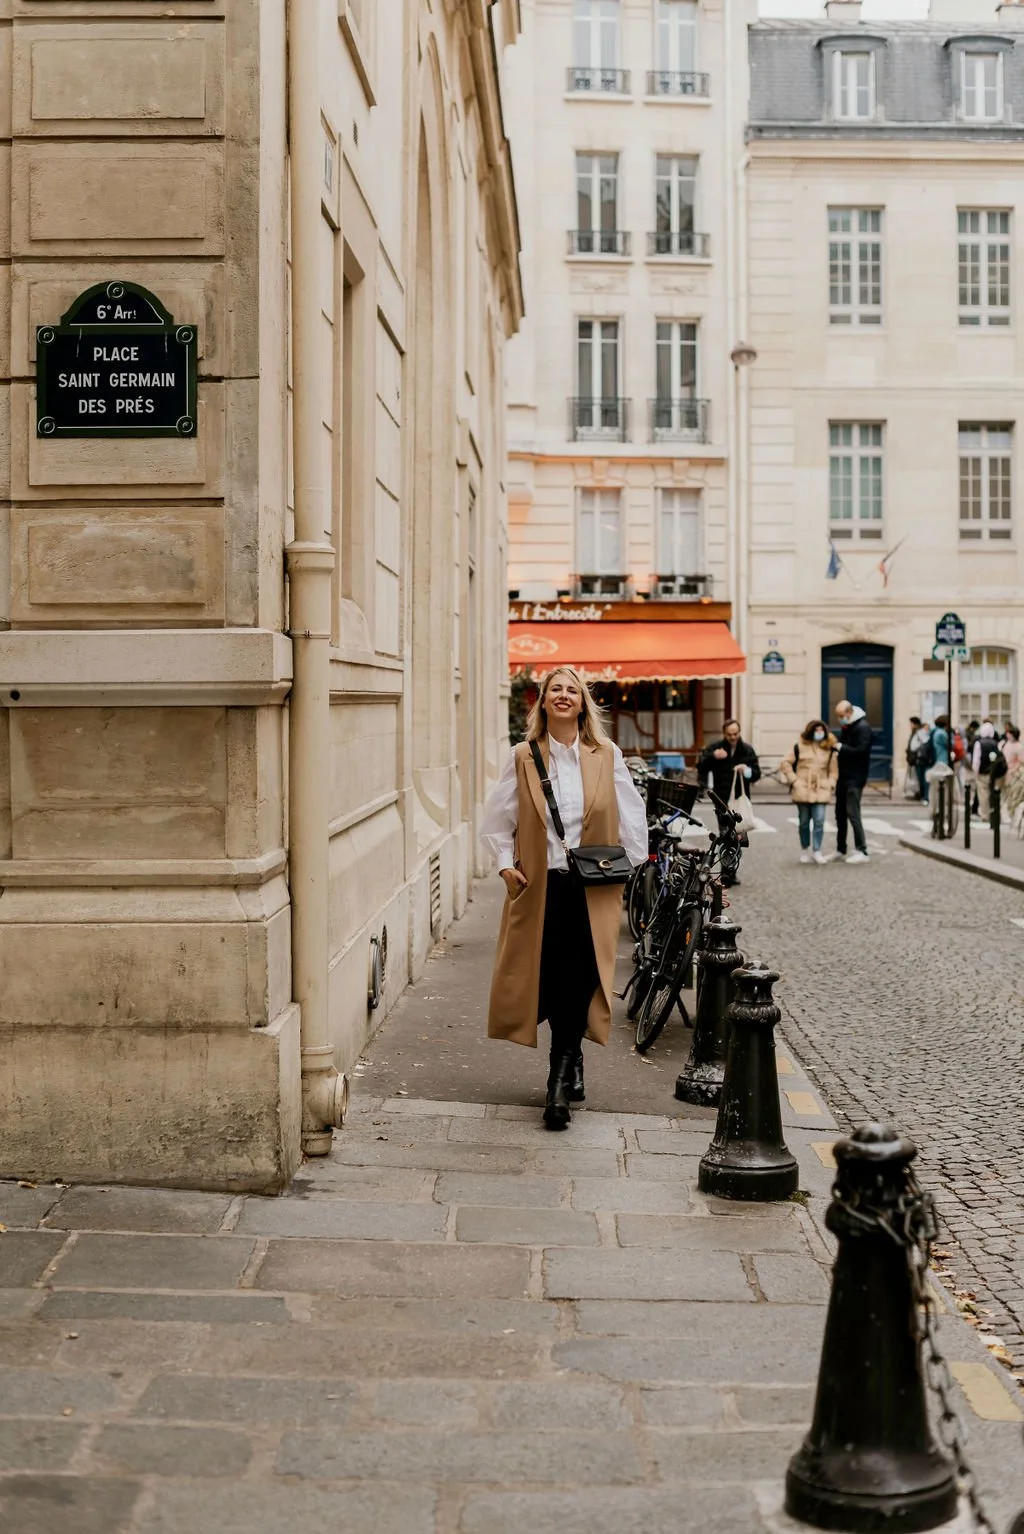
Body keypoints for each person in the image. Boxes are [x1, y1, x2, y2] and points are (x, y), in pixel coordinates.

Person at [480, 667, 648, 1131]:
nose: (563, 695)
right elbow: (496, 821)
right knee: (549, 976)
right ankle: (570, 1063)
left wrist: (628, 869)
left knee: (580, 974)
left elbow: (632, 814)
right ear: (544, 701)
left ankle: (559, 1075)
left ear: (582, 703)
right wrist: (502, 863)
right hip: (541, 885)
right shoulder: (523, 756)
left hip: (593, 886)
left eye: (572, 690)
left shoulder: (605, 754)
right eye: (556, 688)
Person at [698, 720, 760, 886]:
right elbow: (701, 766)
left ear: (739, 733)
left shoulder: (747, 750)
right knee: (725, 835)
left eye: (735, 734)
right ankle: (726, 873)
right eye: (729, 734)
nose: (733, 737)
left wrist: (746, 771)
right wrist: (712, 757)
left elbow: (756, 773)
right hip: (722, 800)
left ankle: (732, 870)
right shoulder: (717, 747)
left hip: (739, 801)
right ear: (724, 734)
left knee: (738, 837)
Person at [779, 720, 838, 865]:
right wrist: (794, 781)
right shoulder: (799, 746)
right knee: (804, 822)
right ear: (810, 731)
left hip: (821, 789)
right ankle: (804, 849)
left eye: (821, 730)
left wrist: (831, 784)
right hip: (803, 788)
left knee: (819, 820)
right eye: (816, 730)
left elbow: (834, 770)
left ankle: (817, 850)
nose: (819, 732)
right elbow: (785, 763)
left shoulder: (829, 748)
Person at [833, 700, 872, 863]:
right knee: (840, 814)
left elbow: (862, 751)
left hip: (855, 778)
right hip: (844, 777)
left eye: (841, 716)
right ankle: (841, 849)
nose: (839, 719)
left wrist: (841, 748)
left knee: (853, 813)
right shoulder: (849, 726)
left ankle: (862, 850)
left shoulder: (862, 727)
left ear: (849, 713)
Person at [972, 720, 1003, 823]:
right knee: (992, 793)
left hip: (982, 772)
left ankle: (985, 814)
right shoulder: (995, 743)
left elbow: (976, 760)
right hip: (993, 772)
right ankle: (992, 813)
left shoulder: (979, 743)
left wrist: (975, 772)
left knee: (983, 794)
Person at [907, 715, 934, 804]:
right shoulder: (919, 733)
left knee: (924, 779)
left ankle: (925, 797)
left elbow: (913, 747)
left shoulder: (921, 734)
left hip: (924, 759)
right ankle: (923, 796)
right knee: (921, 779)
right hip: (921, 759)